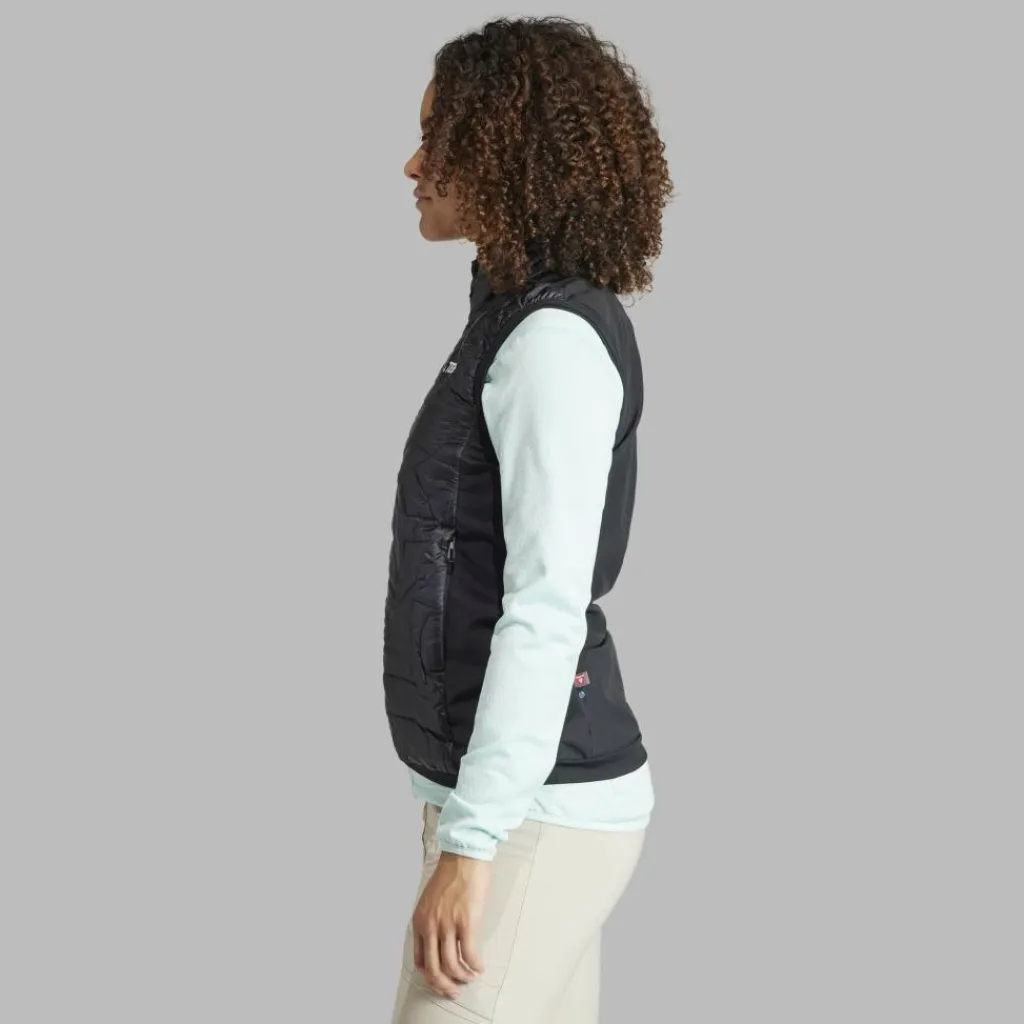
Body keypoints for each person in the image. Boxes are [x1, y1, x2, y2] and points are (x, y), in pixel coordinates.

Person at [384, 16, 673, 1023]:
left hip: (536, 816)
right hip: (518, 803)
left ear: (506, 153)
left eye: (439, 137)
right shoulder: (507, 321)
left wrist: (474, 843)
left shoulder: (550, 341)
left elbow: (546, 603)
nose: (412, 163)